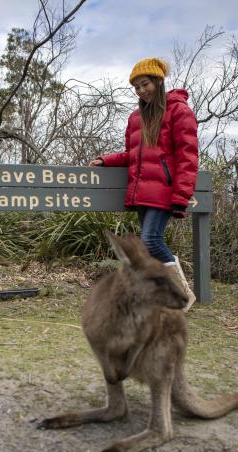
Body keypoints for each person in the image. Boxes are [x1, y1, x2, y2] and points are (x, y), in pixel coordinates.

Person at [90, 57, 198, 311]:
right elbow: (131, 155)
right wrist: (106, 160)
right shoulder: (135, 118)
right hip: (141, 193)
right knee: (148, 246)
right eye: (136, 87)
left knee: (150, 240)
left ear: (159, 81)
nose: (141, 90)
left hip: (164, 192)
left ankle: (183, 294)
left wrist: (181, 196)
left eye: (145, 84)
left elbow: (188, 158)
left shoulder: (179, 111)